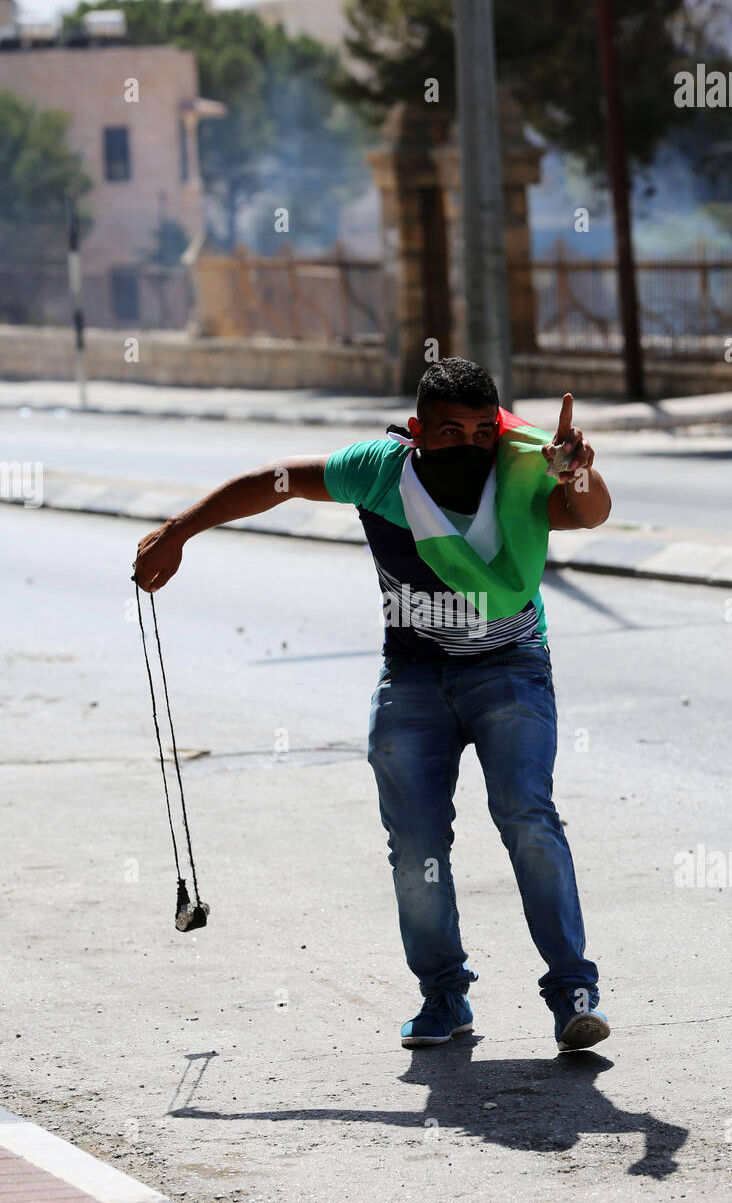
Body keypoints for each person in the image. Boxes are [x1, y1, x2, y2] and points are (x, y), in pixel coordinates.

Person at [135, 358, 612, 1053]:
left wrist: (576, 470)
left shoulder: (521, 467)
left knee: (527, 816)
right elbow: (273, 483)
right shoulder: (381, 471)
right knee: (415, 846)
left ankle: (572, 991)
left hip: (509, 669)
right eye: (450, 431)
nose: (471, 445)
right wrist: (178, 531)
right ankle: (443, 998)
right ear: (417, 432)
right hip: (413, 677)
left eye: (484, 430)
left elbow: (586, 511)